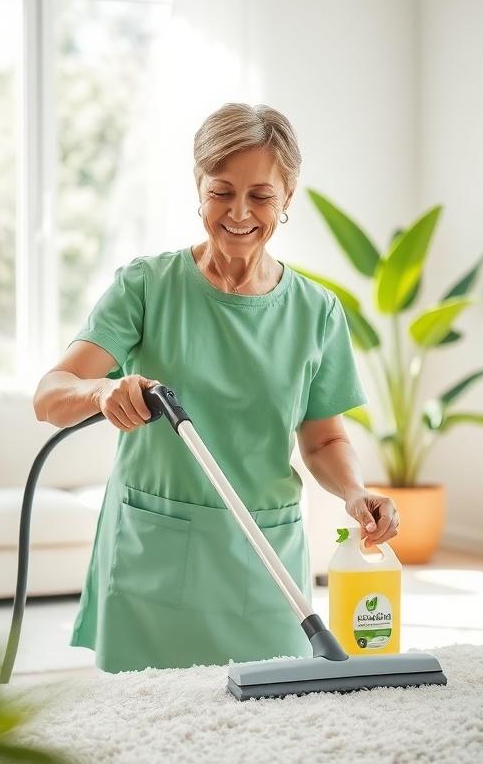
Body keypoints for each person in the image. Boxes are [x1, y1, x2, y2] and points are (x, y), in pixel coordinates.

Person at [33, 102, 399, 672]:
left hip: (266, 559)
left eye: (261, 195)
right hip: (152, 551)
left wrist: (354, 492)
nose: (239, 212)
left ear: (288, 198)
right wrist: (101, 394)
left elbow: (325, 440)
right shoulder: (148, 286)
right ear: (198, 188)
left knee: (270, 724)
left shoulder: (316, 311)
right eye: (222, 191)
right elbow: (51, 395)